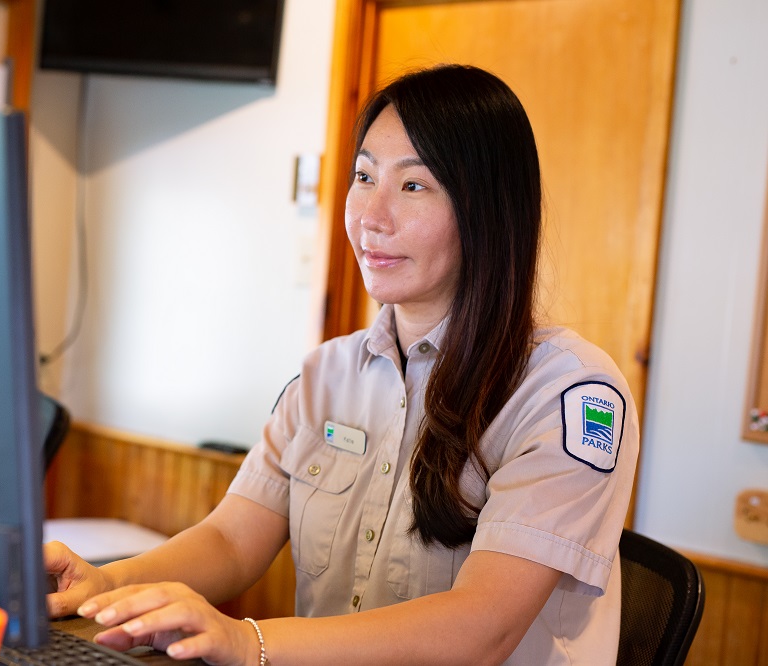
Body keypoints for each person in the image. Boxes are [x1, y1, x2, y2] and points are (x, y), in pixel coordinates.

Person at [44, 64, 639, 665]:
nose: (370, 216)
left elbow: (480, 629)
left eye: (414, 186)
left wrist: (249, 643)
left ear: (487, 210)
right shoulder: (325, 376)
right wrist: (108, 584)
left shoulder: (568, 394)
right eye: (364, 176)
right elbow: (230, 540)